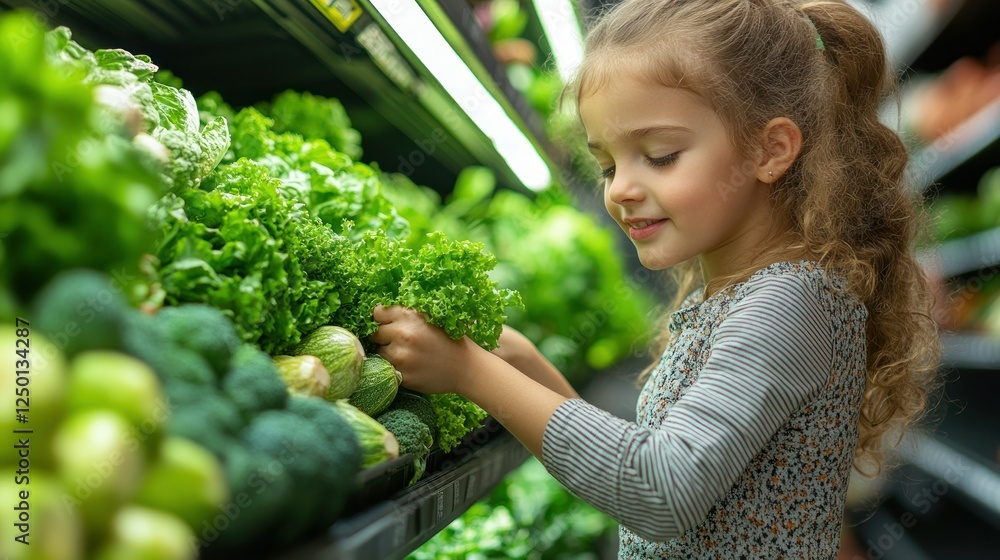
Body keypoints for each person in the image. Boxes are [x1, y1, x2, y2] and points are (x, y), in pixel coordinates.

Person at [370, 0, 940, 557]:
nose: (619, 190)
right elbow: (640, 466)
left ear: (770, 151)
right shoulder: (747, 290)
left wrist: (473, 374)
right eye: (608, 165)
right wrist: (521, 367)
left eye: (661, 155)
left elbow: (660, 491)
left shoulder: (788, 303)